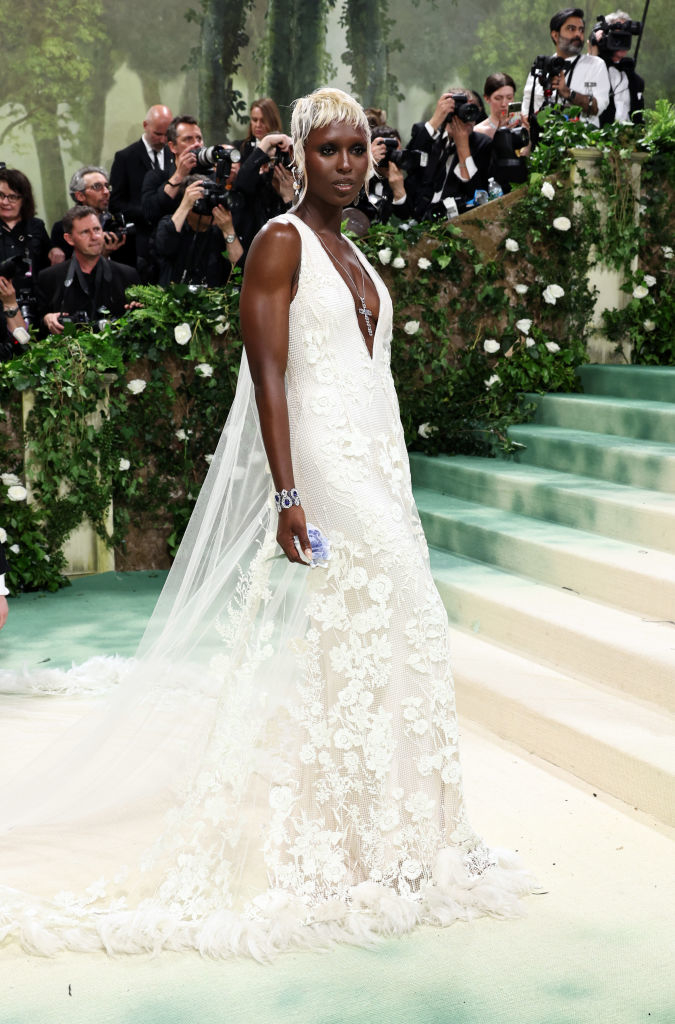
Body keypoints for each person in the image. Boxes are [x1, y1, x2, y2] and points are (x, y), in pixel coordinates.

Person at [0, 87, 530, 959]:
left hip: (377, 458)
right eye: (329, 150)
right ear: (300, 159)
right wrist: (288, 493)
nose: (349, 165)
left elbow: (376, 377)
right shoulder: (281, 243)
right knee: (399, 618)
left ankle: (389, 831)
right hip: (319, 461)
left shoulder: (354, 250)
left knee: (384, 636)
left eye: (359, 149)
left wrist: (393, 473)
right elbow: (269, 372)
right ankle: (353, 834)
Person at [37, 206, 140, 333]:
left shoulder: (128, 275)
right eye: (85, 232)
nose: (94, 236)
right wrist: (47, 319)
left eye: (97, 229)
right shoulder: (49, 277)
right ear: (69, 239)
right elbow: (38, 326)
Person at [405, 89, 493, 221]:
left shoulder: (482, 143)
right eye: (462, 109)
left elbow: (477, 193)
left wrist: (463, 146)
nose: (467, 116)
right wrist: (436, 120)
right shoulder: (427, 133)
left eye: (471, 109)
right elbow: (409, 163)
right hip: (417, 216)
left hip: (456, 220)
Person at [109, 104, 174, 279]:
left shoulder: (174, 156)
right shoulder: (125, 158)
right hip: (140, 245)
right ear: (146, 126)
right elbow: (115, 203)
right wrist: (148, 212)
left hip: (170, 241)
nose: (162, 140)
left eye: (166, 135)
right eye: (157, 134)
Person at [522, 8, 611, 127]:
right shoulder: (542, 65)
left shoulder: (595, 65)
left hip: (582, 143)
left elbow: (596, 108)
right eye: (571, 29)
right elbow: (526, 111)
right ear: (555, 35)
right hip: (541, 142)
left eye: (581, 30)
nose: (578, 34)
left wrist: (568, 93)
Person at [154, 173, 244, 286]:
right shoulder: (170, 224)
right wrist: (185, 205)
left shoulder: (219, 233)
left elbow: (237, 270)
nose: (212, 208)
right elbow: (165, 247)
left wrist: (228, 230)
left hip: (210, 299)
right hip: (173, 297)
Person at [0, 167, 56, 330]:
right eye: (1, 195)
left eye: (12, 197)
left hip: (35, 304)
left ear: (24, 199)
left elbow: (47, 265)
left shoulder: (36, 226)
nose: (5, 202)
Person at [50, 167, 128, 263]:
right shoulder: (62, 228)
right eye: (97, 187)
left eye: (107, 186)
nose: (106, 192)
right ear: (80, 196)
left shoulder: (117, 225)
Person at [589, 10, 645, 125]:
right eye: (617, 35)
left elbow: (638, 118)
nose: (622, 40)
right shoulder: (593, 68)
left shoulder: (636, 81)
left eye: (626, 35)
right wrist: (593, 49)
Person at [236, 97, 284, 163]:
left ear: (273, 121)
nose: (258, 125)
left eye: (263, 121)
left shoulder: (284, 149)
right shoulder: (239, 148)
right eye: (255, 120)